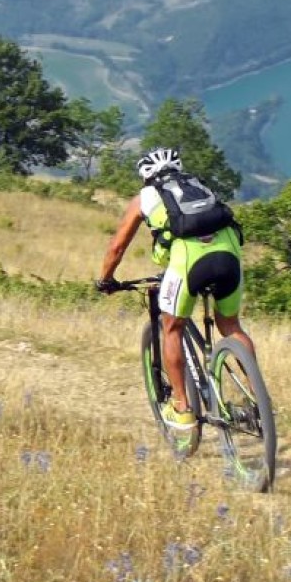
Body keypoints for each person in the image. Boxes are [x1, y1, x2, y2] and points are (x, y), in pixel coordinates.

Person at [95, 147, 254, 432]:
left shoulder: (144, 198)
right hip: (229, 255)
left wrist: (105, 279)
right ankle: (258, 395)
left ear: (146, 176)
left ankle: (182, 407)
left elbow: (117, 246)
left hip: (188, 263)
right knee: (230, 324)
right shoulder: (199, 185)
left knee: (172, 327)